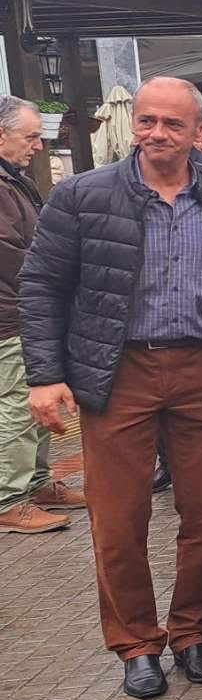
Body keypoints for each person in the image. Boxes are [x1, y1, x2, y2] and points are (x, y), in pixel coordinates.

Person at [19, 77, 202, 699]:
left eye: (173, 124)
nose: (157, 134)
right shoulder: (83, 196)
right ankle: (136, 644)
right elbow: (41, 285)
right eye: (147, 121)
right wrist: (45, 375)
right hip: (117, 370)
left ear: (199, 131)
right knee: (118, 518)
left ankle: (193, 633)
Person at [0, 96, 85, 535]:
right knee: (17, 404)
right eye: (30, 137)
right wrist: (52, 280)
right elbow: (11, 256)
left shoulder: (11, 180)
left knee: (34, 401)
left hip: (23, 311)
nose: (38, 146)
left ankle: (35, 483)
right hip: (11, 314)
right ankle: (8, 498)